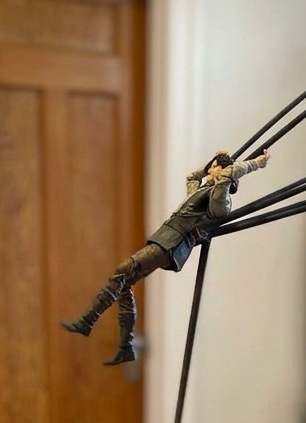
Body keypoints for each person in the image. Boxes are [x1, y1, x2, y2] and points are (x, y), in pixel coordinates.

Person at [63, 149, 270, 364]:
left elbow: (227, 181)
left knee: (121, 271)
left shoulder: (219, 198)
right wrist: (210, 165)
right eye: (213, 165)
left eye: (216, 166)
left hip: (171, 245)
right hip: (164, 238)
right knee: (125, 284)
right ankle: (126, 347)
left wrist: (256, 163)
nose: (212, 169)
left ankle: (88, 321)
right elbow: (191, 177)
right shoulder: (201, 189)